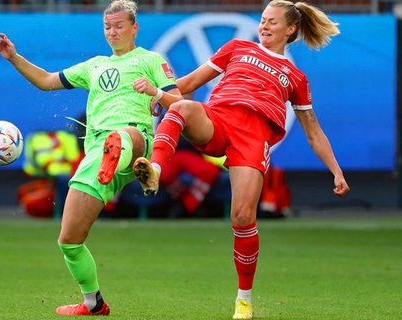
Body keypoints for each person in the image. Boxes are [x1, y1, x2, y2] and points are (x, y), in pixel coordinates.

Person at [132, 1, 351, 319]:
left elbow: (314, 132)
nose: (264, 26)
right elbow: (189, 84)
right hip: (218, 119)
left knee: (243, 216)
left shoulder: (296, 78)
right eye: (263, 20)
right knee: (179, 107)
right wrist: (160, 94)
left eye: (272, 22)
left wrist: (336, 172)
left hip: (253, 138)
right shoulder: (237, 47)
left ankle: (244, 300)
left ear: (290, 30)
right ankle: (153, 169)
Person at [0, 0, 181, 316]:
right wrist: (13, 57)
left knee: (125, 137)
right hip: (97, 155)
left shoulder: (151, 60)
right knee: (69, 240)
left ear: (135, 27)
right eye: (107, 26)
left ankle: (135, 162)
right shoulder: (94, 65)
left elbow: (180, 104)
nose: (112, 32)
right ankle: (93, 302)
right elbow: (46, 81)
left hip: (135, 140)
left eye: (119, 26)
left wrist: (155, 92)